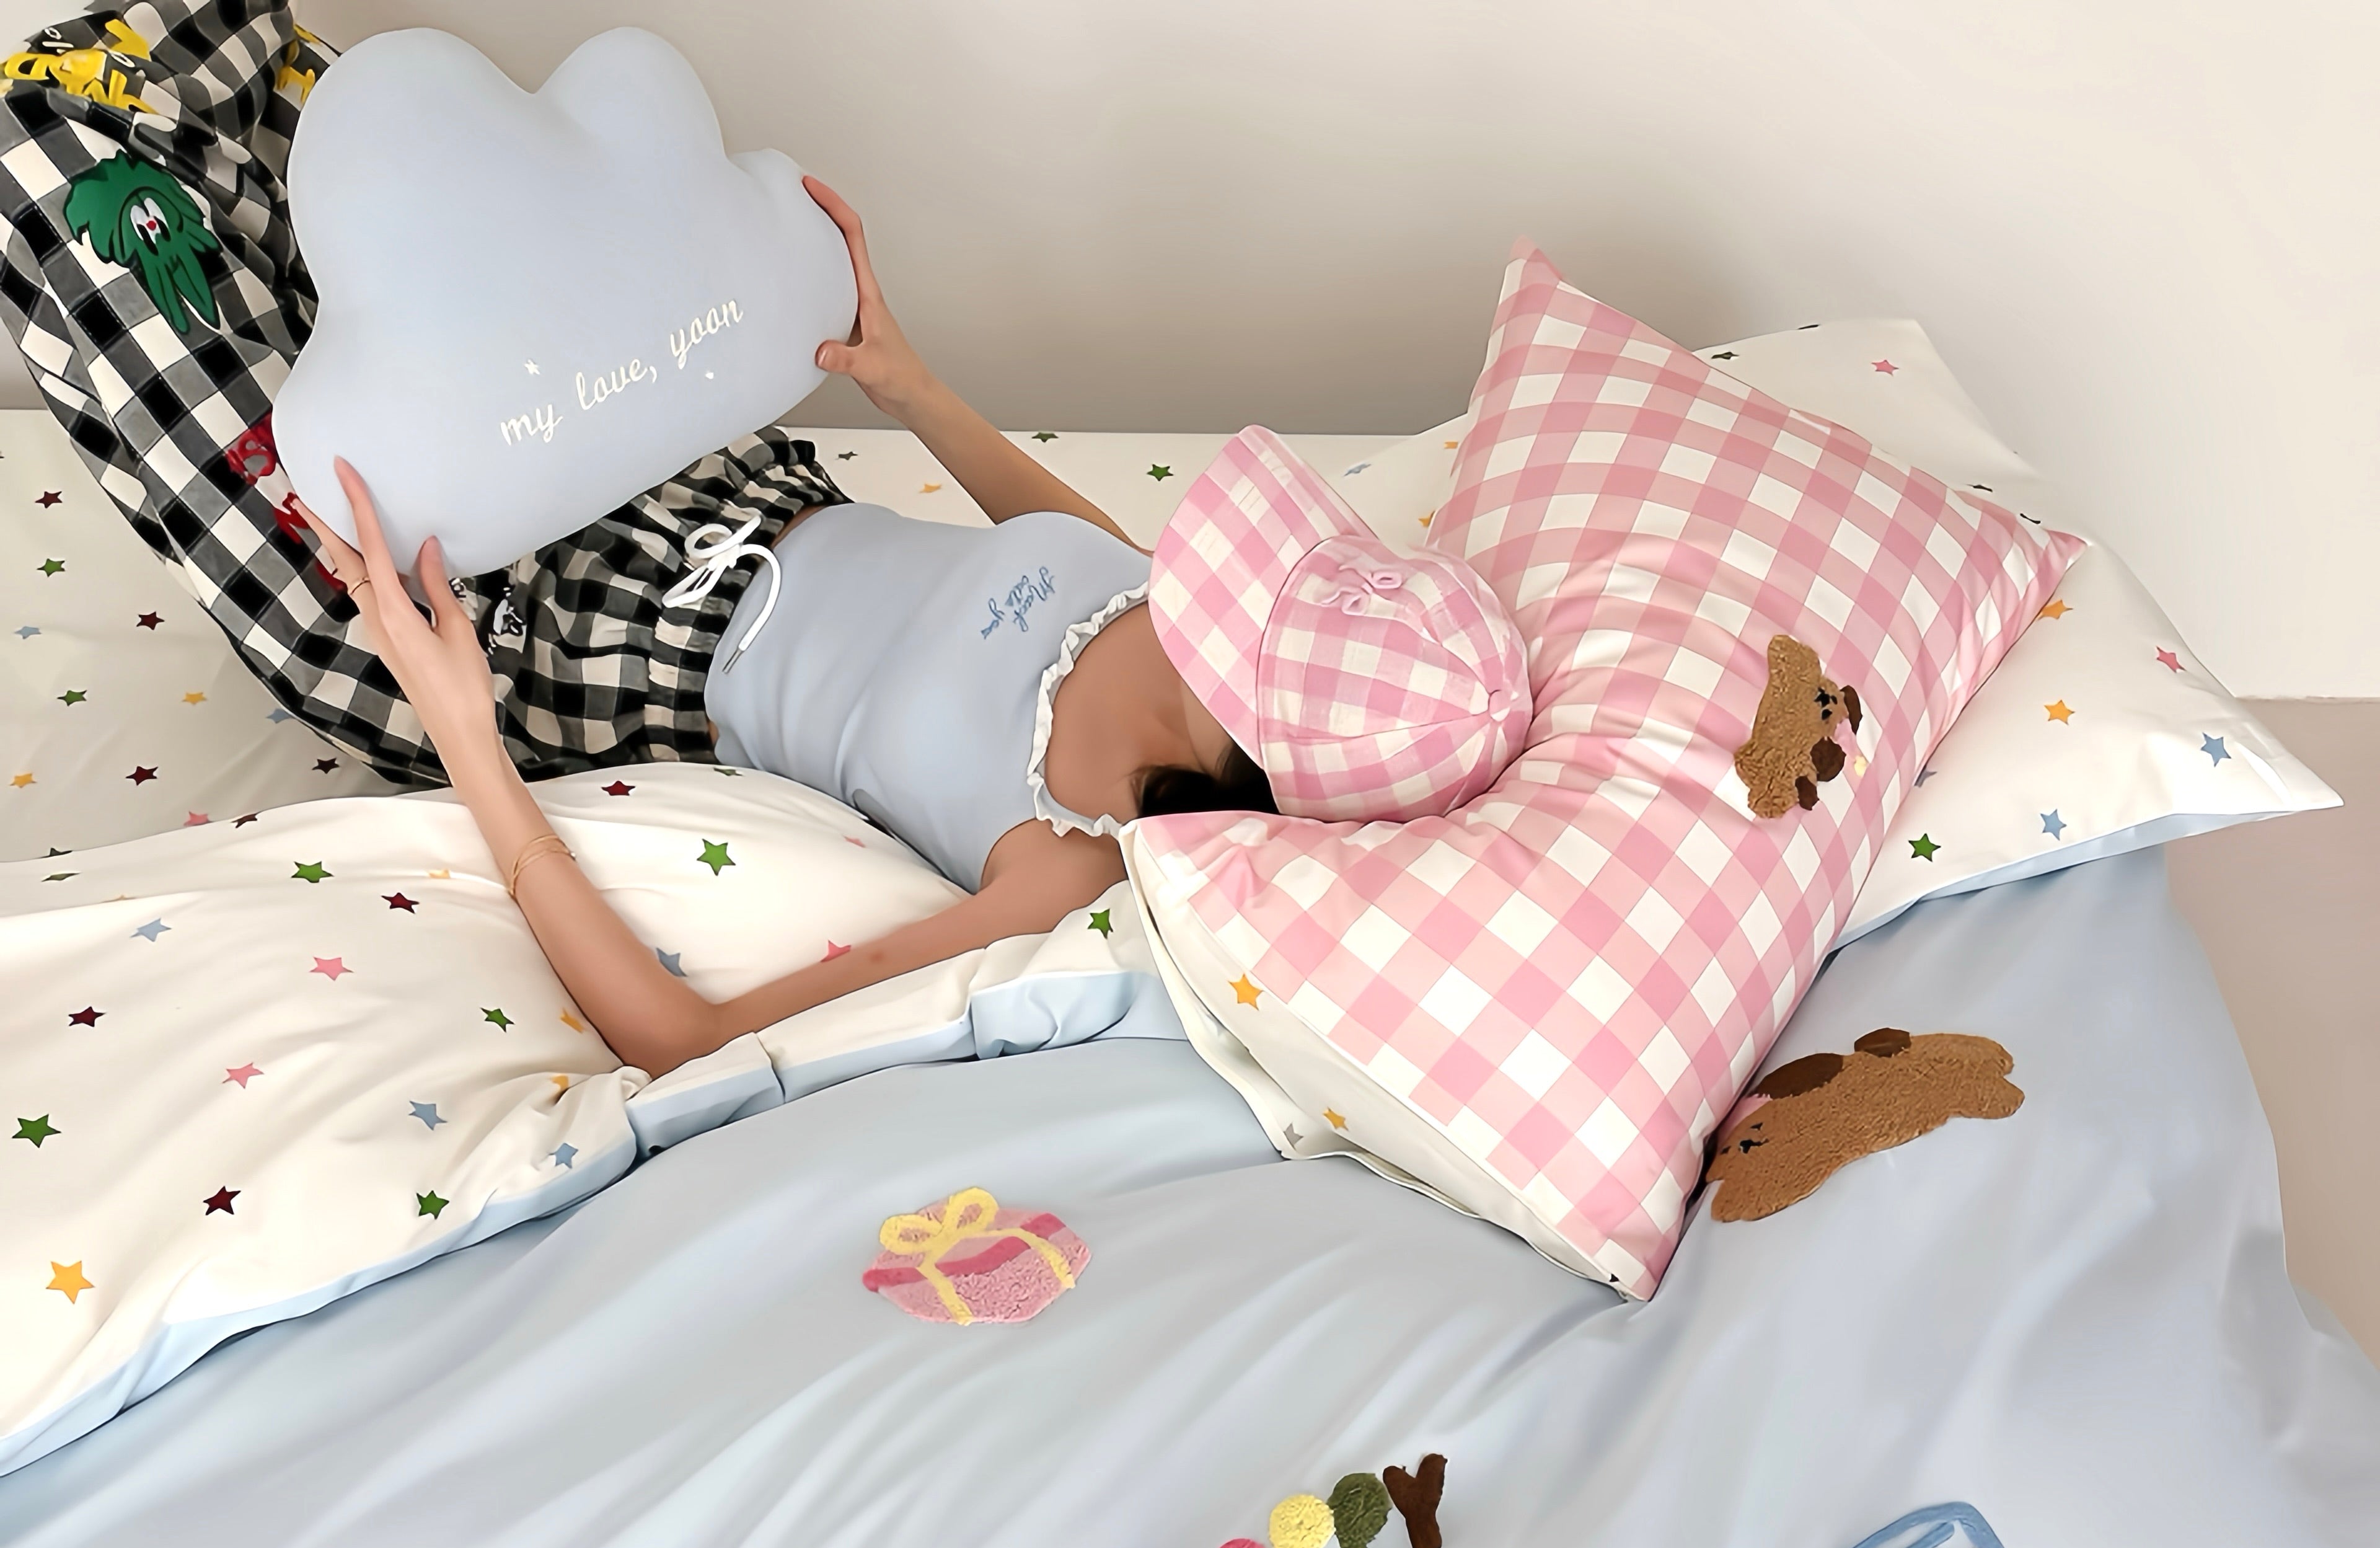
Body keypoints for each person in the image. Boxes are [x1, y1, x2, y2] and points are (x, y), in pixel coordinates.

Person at [7, 2, 1530, 1083]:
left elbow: (688, 1042)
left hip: (561, 652)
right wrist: (905, 382)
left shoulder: (1069, 871)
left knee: (101, 214)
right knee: (365, 154)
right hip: (703, 459)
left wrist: (465, 741)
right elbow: (1049, 537)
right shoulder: (1190, 608)